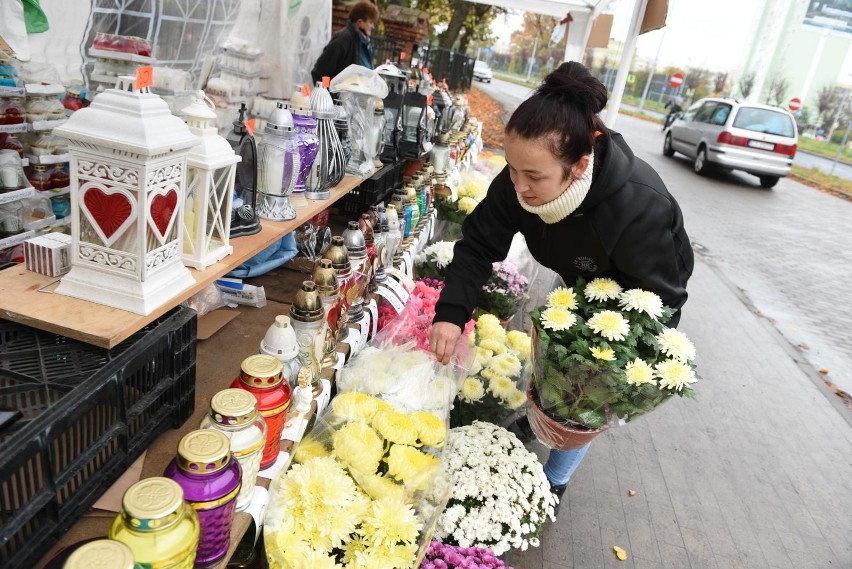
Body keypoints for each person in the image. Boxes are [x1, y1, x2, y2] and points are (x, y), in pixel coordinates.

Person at [429, 61, 694, 511]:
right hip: (578, 274)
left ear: (580, 165)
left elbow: (659, 306)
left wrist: (605, 379)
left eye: (534, 177)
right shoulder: (519, 180)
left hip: (637, 295)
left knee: (584, 387)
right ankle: (538, 420)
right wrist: (452, 313)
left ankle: (553, 481)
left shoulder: (637, 207)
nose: (520, 186)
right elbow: (476, 244)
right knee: (552, 355)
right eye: (513, 170)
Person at [310, 1, 378, 84]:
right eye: (370, 22)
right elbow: (320, 72)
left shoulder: (364, 43)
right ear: (360, 22)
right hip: (340, 95)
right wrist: (329, 94)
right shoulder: (343, 39)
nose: (372, 26)